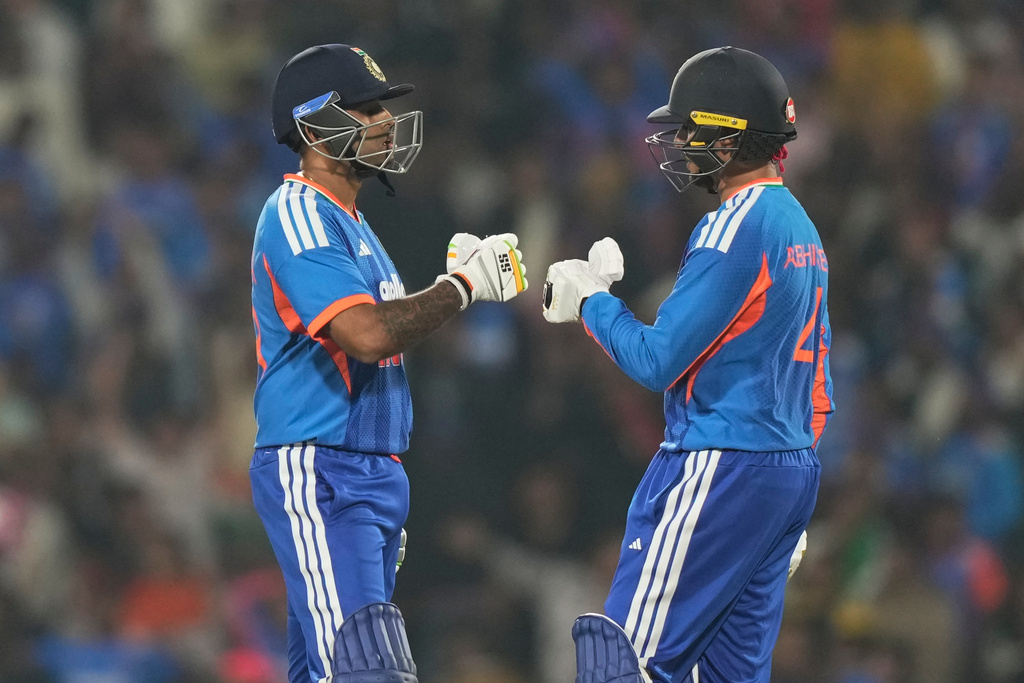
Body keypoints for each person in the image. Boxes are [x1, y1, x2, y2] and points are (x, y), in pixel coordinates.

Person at [542, 46, 833, 683]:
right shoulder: (802, 230)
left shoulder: (735, 225)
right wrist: (780, 504)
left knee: (622, 664)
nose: (681, 144)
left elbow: (656, 360)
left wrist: (591, 302)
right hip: (786, 473)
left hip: (718, 467)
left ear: (728, 140)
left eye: (692, 131)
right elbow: (818, 392)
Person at [248, 44, 527, 683]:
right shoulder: (296, 212)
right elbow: (366, 336)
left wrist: (456, 287)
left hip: (366, 473)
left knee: (327, 672)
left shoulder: (353, 223)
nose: (384, 122)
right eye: (367, 109)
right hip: (322, 466)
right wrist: (460, 287)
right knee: (367, 671)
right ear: (315, 125)